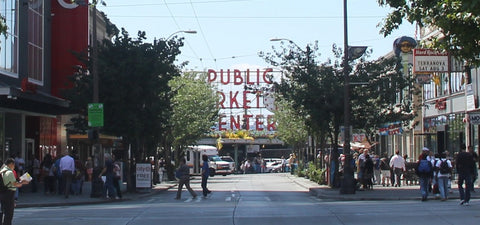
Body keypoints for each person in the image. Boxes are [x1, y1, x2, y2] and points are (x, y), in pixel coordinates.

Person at [1, 158, 30, 225]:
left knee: (4, 212)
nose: (14, 167)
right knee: (9, 213)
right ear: (11, 164)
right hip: (9, 193)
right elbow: (15, 184)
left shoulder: (2, 170)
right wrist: (23, 182)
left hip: (3, 193)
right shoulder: (9, 172)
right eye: (14, 166)